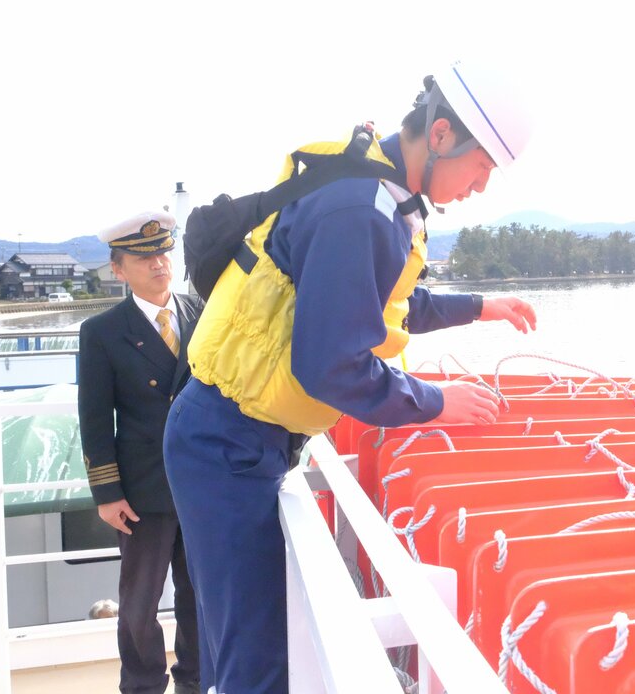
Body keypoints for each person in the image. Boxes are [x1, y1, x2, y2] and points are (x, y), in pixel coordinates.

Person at [164, 59, 537, 693]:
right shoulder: (361, 210)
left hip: (235, 440)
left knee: (246, 640)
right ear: (442, 135)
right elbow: (331, 364)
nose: (480, 187)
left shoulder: (379, 192)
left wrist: (479, 307)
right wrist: (436, 402)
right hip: (224, 445)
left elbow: (382, 305)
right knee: (253, 663)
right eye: (481, 169)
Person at [79, 211, 203, 694]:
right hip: (142, 489)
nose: (159, 263)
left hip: (199, 484)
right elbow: (94, 418)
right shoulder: (103, 331)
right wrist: (107, 492)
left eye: (164, 252)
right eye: (144, 256)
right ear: (117, 268)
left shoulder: (201, 311)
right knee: (139, 604)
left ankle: (196, 681)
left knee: (199, 598)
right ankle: (143, 685)